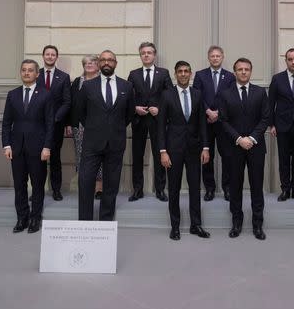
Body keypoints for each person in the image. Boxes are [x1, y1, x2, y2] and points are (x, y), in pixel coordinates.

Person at [70, 50, 135, 221]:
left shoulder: (126, 86)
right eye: (103, 60)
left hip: (116, 142)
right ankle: (85, 221)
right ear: (99, 63)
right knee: (85, 183)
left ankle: (106, 221)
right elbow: (81, 112)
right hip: (92, 142)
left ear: (115, 63)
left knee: (111, 185)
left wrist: (114, 128)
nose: (107, 63)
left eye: (110, 60)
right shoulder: (87, 86)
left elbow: (128, 115)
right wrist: (95, 127)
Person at [157, 61, 211, 241]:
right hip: (173, 150)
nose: (183, 74)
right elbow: (161, 125)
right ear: (175, 74)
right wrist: (163, 151)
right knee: (174, 188)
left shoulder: (197, 94)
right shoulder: (166, 95)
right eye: (180, 71)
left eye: (186, 71)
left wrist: (205, 147)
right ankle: (175, 226)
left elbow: (203, 123)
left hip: (195, 149)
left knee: (195, 188)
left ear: (190, 74)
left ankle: (196, 225)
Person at [219, 58, 271, 240]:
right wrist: (239, 139)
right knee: (235, 187)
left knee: (257, 186)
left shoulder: (260, 92)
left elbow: (265, 118)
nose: (243, 72)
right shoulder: (225, 94)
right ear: (234, 72)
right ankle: (236, 223)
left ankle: (258, 225)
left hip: (255, 147)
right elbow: (223, 121)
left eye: (246, 69)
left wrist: (252, 138)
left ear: (251, 71)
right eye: (240, 69)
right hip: (234, 147)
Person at [2, 59, 54, 234]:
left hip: (38, 148)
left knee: (38, 185)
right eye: (23, 70)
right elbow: (6, 123)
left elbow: (50, 124)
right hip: (16, 148)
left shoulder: (46, 94)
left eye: (30, 70)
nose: (26, 73)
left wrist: (47, 147)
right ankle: (21, 218)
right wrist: (6, 145)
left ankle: (35, 218)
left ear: (37, 74)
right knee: (19, 185)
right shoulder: (13, 94)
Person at [127, 41, 173, 202]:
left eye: (149, 52)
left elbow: (170, 97)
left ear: (154, 55)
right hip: (139, 120)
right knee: (137, 155)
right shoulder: (133, 74)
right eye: (143, 53)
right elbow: (127, 97)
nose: (146, 55)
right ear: (140, 55)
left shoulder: (164, 73)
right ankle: (137, 190)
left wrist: (160, 109)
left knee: (159, 153)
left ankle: (160, 189)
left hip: (157, 121)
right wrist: (135, 108)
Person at [192, 45, 235, 201]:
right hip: (205, 122)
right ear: (208, 58)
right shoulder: (200, 75)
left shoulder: (230, 76)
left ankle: (228, 188)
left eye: (218, 56)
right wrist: (208, 111)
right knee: (206, 156)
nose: (215, 58)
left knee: (227, 156)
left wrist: (219, 113)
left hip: (224, 123)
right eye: (212, 56)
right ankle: (209, 188)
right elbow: (196, 96)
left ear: (222, 57)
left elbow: (232, 98)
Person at [268, 48, 294, 202]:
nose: (293, 62)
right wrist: (271, 124)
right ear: (285, 61)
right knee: (284, 159)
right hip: (282, 126)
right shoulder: (277, 79)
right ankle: (285, 189)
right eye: (290, 59)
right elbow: (270, 104)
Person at [36, 45, 71, 201]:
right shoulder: (35, 75)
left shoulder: (64, 77)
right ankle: (38, 191)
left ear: (56, 57)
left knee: (55, 158)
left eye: (53, 54)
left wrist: (56, 118)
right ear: (43, 56)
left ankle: (56, 190)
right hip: (38, 124)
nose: (50, 57)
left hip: (56, 124)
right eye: (47, 54)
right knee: (38, 159)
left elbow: (67, 102)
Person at [70, 55, 103, 199]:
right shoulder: (78, 81)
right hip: (80, 126)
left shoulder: (104, 80)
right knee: (81, 156)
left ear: (98, 65)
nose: (89, 65)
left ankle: (99, 189)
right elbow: (71, 104)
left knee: (99, 156)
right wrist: (69, 123)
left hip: (100, 126)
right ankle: (85, 188)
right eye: (86, 63)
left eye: (93, 62)